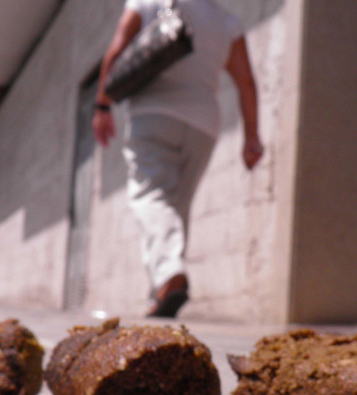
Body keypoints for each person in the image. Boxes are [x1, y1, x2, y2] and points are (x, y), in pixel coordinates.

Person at [93, 0, 263, 317]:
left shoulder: (147, 2)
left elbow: (116, 51)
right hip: (204, 125)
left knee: (150, 195)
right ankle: (162, 292)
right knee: (176, 207)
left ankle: (170, 274)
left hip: (151, 115)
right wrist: (251, 137)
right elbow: (246, 83)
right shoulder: (226, 22)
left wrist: (103, 106)